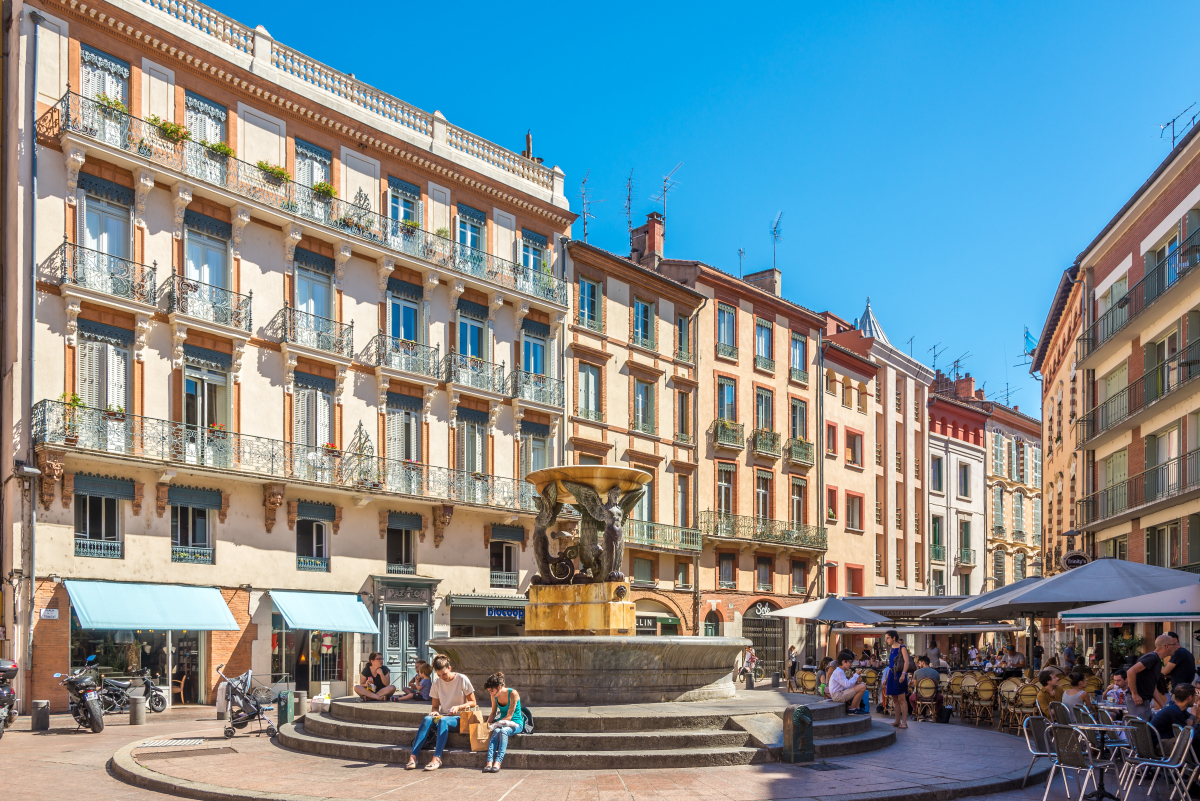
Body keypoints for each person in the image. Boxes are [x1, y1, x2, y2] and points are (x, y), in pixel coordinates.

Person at [406, 655, 477, 771]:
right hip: (444, 716)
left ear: (449, 668)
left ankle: (436, 759)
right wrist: (434, 712)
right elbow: (434, 707)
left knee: (443, 720)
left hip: (460, 718)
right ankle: (413, 757)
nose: (442, 677)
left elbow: (473, 702)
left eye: (444, 674)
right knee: (427, 719)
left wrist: (458, 707)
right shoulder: (436, 682)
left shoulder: (461, 679)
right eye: (439, 675)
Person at [482, 672, 523, 773]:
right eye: (489, 691)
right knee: (496, 731)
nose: (490, 693)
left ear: (499, 687)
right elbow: (493, 713)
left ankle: (498, 762)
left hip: (516, 723)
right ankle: (489, 762)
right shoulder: (494, 696)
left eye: (492, 690)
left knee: (503, 731)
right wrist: (485, 726)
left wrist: (496, 724)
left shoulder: (513, 693)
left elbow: (509, 716)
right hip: (502, 722)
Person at [1127, 634, 1173, 720]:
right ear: (1167, 646)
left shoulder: (1157, 660)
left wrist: (1163, 706)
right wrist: (1135, 694)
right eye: (1174, 645)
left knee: (1145, 729)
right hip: (1138, 701)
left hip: (1144, 701)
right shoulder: (1152, 657)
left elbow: (1153, 688)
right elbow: (1130, 671)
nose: (1176, 647)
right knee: (1140, 731)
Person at [883, 630, 911, 730]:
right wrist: (886, 678)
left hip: (899, 674)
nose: (886, 640)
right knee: (895, 700)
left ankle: (904, 722)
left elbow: (907, 662)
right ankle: (897, 721)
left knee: (902, 699)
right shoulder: (891, 648)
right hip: (891, 674)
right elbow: (891, 666)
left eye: (887, 638)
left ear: (893, 638)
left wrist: (903, 674)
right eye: (885, 638)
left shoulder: (901, 647)